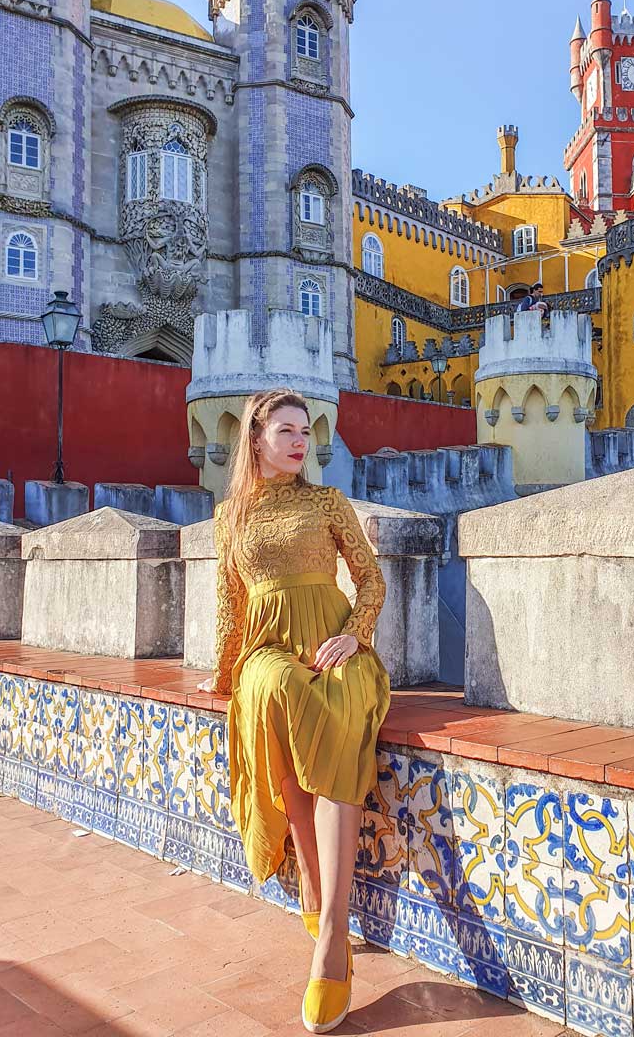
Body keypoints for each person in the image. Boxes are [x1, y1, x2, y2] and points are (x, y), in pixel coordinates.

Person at [197, 388, 390, 1034]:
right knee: (274, 691)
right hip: (267, 647)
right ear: (255, 440)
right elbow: (231, 600)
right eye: (285, 431)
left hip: (333, 641)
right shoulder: (230, 515)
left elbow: (369, 578)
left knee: (333, 706)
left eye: (304, 431)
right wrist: (224, 672)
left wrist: (356, 634)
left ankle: (330, 931)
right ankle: (310, 882)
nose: (300, 441)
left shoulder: (326, 500)